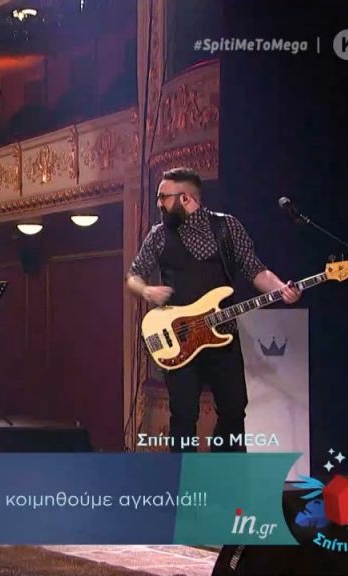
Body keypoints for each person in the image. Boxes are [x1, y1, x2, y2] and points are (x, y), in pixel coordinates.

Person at [125, 167, 301, 453]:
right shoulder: (159, 235)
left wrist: (281, 289)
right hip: (179, 339)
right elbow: (134, 276)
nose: (158, 203)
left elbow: (256, 270)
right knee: (184, 416)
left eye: (163, 197)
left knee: (234, 411)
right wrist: (146, 291)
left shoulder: (227, 227)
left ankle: (225, 474)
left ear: (186, 198)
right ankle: (185, 478)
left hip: (223, 334)